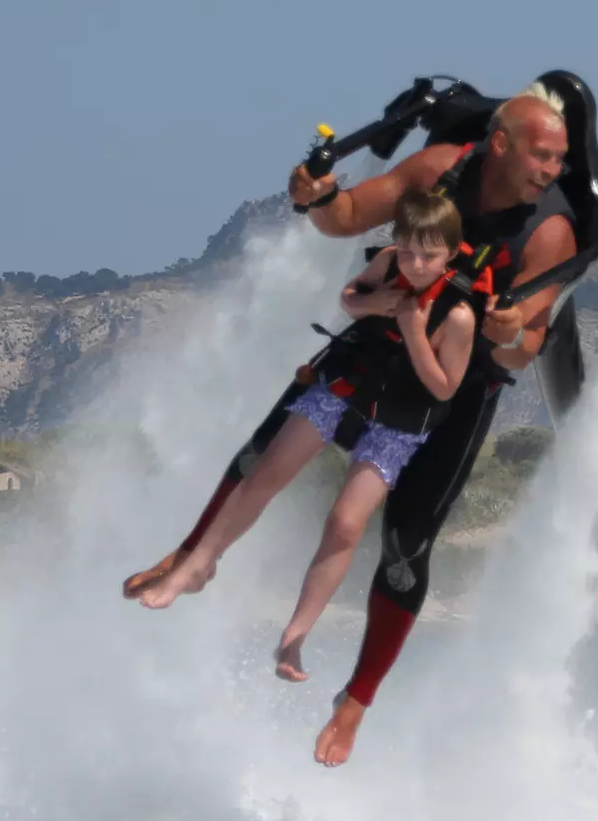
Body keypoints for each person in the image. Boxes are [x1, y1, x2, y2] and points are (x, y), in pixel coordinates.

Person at [125, 85, 579, 766]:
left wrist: (510, 330)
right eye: (542, 156)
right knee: (262, 454)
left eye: (560, 160)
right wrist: (315, 197)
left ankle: (355, 701)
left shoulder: (549, 232)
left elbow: (528, 346)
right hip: (370, 354)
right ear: (502, 143)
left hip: (449, 391)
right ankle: (196, 557)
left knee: (401, 547)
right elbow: (345, 219)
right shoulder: (439, 172)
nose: (552, 170)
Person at [135, 192, 480, 689]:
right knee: (267, 472)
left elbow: (444, 387)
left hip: (397, 422)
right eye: (408, 251)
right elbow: (349, 297)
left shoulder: (460, 316)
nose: (417, 263)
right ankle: (198, 566)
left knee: (344, 524)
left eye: (429, 254)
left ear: (452, 252)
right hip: (346, 388)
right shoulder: (387, 263)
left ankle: (295, 634)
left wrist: (410, 329)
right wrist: (373, 303)